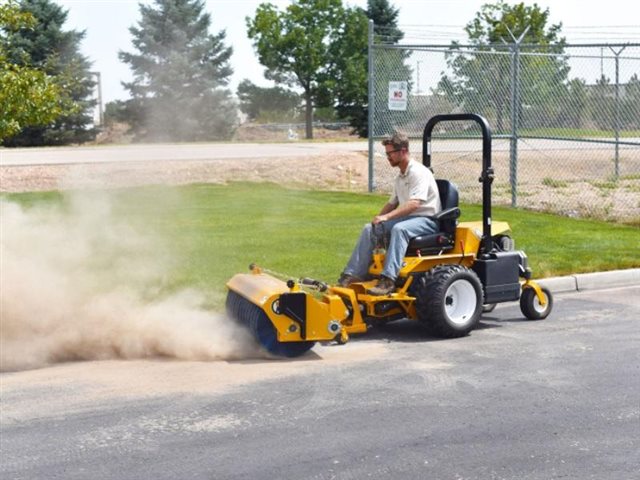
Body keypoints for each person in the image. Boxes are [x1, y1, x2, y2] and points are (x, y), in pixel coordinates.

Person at [338, 131, 442, 295]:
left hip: (427, 220)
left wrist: (386, 218)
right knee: (369, 229)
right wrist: (378, 221)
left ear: (403, 151)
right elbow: (392, 203)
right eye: (386, 154)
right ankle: (353, 275)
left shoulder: (418, 172)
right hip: (410, 219)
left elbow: (415, 204)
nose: (388, 157)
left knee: (399, 229)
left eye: (390, 153)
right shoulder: (400, 176)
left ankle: (388, 280)